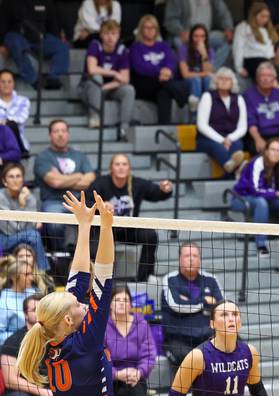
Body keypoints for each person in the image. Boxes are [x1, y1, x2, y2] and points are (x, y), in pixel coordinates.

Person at [16, 190, 120, 396]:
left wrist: (84, 225)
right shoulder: (87, 340)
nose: (81, 302)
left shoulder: (49, 340)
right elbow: (102, 273)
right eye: (75, 305)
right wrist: (106, 226)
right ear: (69, 320)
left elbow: (78, 276)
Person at [105, 286, 168, 396]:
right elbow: (98, 359)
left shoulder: (140, 323)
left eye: (125, 300)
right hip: (110, 379)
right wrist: (117, 373)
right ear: (110, 304)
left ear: (131, 304)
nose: (121, 304)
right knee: (125, 386)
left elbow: (150, 354)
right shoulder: (103, 325)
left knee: (128, 388)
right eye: (117, 300)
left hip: (136, 378)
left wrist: (139, 372)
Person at [89, 153, 173, 282]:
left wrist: (166, 190)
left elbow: (156, 193)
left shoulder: (137, 184)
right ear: (111, 168)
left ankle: (144, 278)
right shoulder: (100, 184)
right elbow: (86, 203)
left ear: (129, 168)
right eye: (117, 164)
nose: (121, 167)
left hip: (129, 230)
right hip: (106, 230)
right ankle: (99, 279)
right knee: (95, 245)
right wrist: (100, 206)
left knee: (150, 235)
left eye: (124, 164)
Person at [161, 242, 224, 378]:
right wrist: (204, 302)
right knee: (186, 360)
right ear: (179, 259)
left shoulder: (211, 280)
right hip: (179, 339)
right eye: (187, 255)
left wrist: (188, 302)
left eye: (195, 255)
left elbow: (221, 308)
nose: (191, 259)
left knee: (234, 344)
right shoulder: (170, 279)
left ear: (200, 259)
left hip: (207, 337)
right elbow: (176, 305)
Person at [34, 119, 96, 252]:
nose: (60, 134)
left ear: (68, 134)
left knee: (98, 218)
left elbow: (90, 179)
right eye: (56, 131)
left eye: (63, 131)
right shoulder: (43, 157)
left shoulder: (79, 155)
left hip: (80, 201)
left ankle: (89, 257)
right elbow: (55, 182)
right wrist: (78, 175)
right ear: (50, 135)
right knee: (55, 224)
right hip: (54, 201)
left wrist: (63, 180)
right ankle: (60, 257)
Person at [0, 294, 50, 396]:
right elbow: (10, 380)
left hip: (48, 388)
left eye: (43, 309)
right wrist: (42, 392)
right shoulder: (13, 342)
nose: (40, 313)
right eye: (35, 310)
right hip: (21, 391)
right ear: (25, 314)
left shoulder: (55, 339)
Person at [231, 138, 279, 255]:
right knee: (261, 202)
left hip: (266, 198)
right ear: (266, 151)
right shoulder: (257, 163)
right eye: (272, 149)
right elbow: (254, 190)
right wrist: (277, 193)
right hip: (241, 198)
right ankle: (261, 244)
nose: (276, 153)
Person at [130, 15, 190, 125]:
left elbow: (171, 61)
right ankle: (184, 97)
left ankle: (163, 127)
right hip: (144, 84)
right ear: (141, 30)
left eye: (152, 28)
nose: (149, 31)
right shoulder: (136, 47)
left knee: (164, 92)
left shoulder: (163, 46)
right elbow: (139, 67)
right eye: (146, 28)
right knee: (167, 84)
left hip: (162, 83)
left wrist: (167, 70)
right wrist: (161, 72)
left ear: (156, 30)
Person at [81, 20, 135, 135]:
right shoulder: (95, 45)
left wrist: (106, 87)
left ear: (118, 35)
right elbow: (92, 69)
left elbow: (125, 79)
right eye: (106, 33)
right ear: (101, 35)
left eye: (114, 34)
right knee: (97, 78)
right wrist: (114, 74)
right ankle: (95, 118)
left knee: (129, 90)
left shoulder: (122, 50)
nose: (110, 37)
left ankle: (124, 127)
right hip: (89, 88)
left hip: (109, 88)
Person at [0, 1, 69, 90]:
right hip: (17, 37)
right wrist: (1, 43)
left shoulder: (46, 2)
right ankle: (34, 80)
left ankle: (54, 78)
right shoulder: (10, 2)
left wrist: (56, 39)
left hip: (40, 38)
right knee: (15, 43)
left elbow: (53, 25)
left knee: (62, 47)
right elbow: (2, 24)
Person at [196, 67, 248, 178]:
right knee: (218, 146)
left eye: (227, 79)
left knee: (238, 144)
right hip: (207, 140)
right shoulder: (207, 96)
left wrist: (229, 139)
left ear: (232, 82)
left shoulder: (239, 99)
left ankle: (229, 168)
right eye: (221, 78)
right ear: (215, 81)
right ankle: (237, 168)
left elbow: (243, 127)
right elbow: (202, 126)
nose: (224, 81)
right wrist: (222, 140)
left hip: (230, 138)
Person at [0, 164, 49, 271]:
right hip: (3, 239)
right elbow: (11, 230)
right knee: (33, 235)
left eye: (18, 176)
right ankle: (43, 274)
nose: (15, 180)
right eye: (11, 176)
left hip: (24, 239)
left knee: (32, 238)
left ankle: (35, 279)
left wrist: (32, 224)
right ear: (4, 181)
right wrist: (22, 206)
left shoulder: (30, 197)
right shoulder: (1, 197)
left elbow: (31, 226)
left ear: (22, 179)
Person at [163, 0, 234, 71]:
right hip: (186, 35)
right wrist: (181, 32)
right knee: (178, 42)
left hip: (206, 35)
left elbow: (224, 13)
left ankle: (211, 70)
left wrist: (228, 27)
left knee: (225, 40)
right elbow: (170, 20)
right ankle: (192, 70)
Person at [244, 61, 279, 150]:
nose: (266, 79)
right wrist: (258, 139)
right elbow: (250, 121)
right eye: (262, 75)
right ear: (257, 78)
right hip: (259, 133)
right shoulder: (248, 95)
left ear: (274, 79)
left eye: (269, 76)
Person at [233, 2, 278, 80]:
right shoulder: (243, 27)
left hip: (269, 60)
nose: (265, 20)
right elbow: (238, 47)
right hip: (253, 60)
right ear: (254, 15)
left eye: (267, 17)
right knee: (267, 74)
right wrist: (239, 67)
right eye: (262, 16)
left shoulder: (268, 29)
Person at [0, 257, 37, 343]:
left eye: (31, 274)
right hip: (16, 347)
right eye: (27, 274)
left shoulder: (33, 293)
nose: (31, 278)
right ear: (13, 277)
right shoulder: (4, 301)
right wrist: (20, 338)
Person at [179, 24, 215, 111]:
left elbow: (209, 73)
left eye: (202, 36)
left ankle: (209, 108)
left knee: (207, 80)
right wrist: (204, 74)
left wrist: (204, 54)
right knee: (196, 80)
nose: (199, 39)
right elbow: (185, 74)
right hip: (186, 82)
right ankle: (194, 112)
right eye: (196, 36)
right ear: (191, 37)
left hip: (203, 80)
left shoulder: (209, 50)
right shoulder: (184, 48)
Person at [0, 70, 31, 156]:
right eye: (3, 82)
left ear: (14, 83)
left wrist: (5, 121)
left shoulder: (23, 100)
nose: (6, 85)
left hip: (17, 142)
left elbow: (21, 118)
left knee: (11, 124)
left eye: (9, 81)